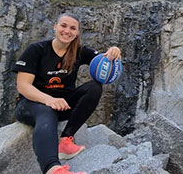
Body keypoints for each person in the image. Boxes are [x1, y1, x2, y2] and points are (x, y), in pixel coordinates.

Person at [13, 13, 121, 174]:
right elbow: (23, 86)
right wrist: (48, 99)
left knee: (95, 87)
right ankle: (53, 169)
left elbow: (105, 60)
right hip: (31, 105)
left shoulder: (80, 52)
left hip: (62, 105)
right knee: (46, 110)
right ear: (55, 26)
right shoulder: (36, 50)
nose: (67, 31)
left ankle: (66, 140)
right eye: (63, 25)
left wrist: (114, 52)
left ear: (77, 32)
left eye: (72, 28)